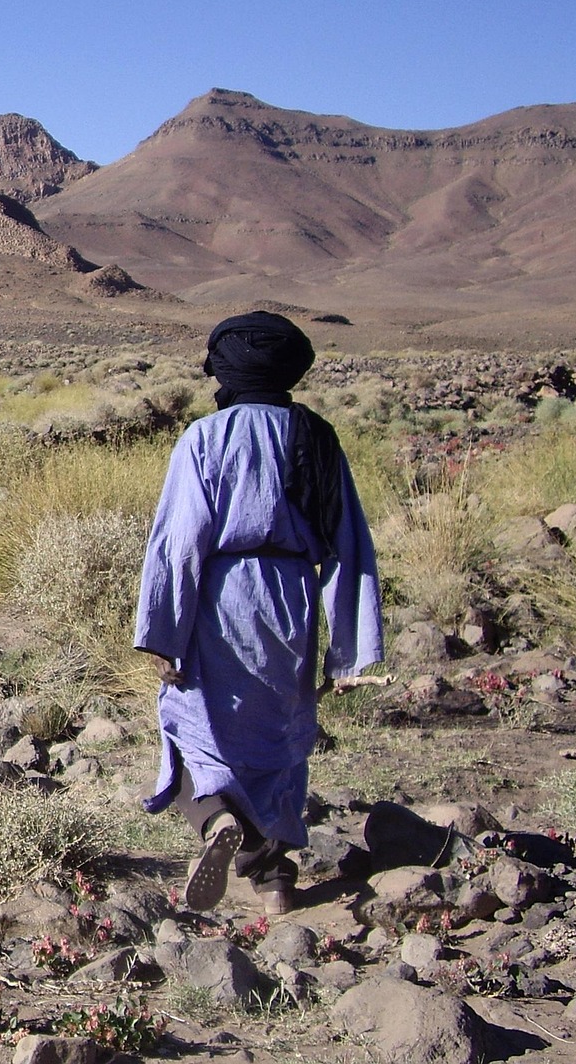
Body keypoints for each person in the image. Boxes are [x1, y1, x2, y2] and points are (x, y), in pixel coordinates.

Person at [135, 311, 381, 916]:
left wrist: (164, 634)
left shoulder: (207, 437)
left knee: (189, 725)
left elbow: (180, 542)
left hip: (222, 601)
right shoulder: (318, 437)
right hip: (292, 603)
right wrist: (348, 650)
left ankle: (217, 817)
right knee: (278, 741)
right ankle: (275, 885)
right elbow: (351, 544)